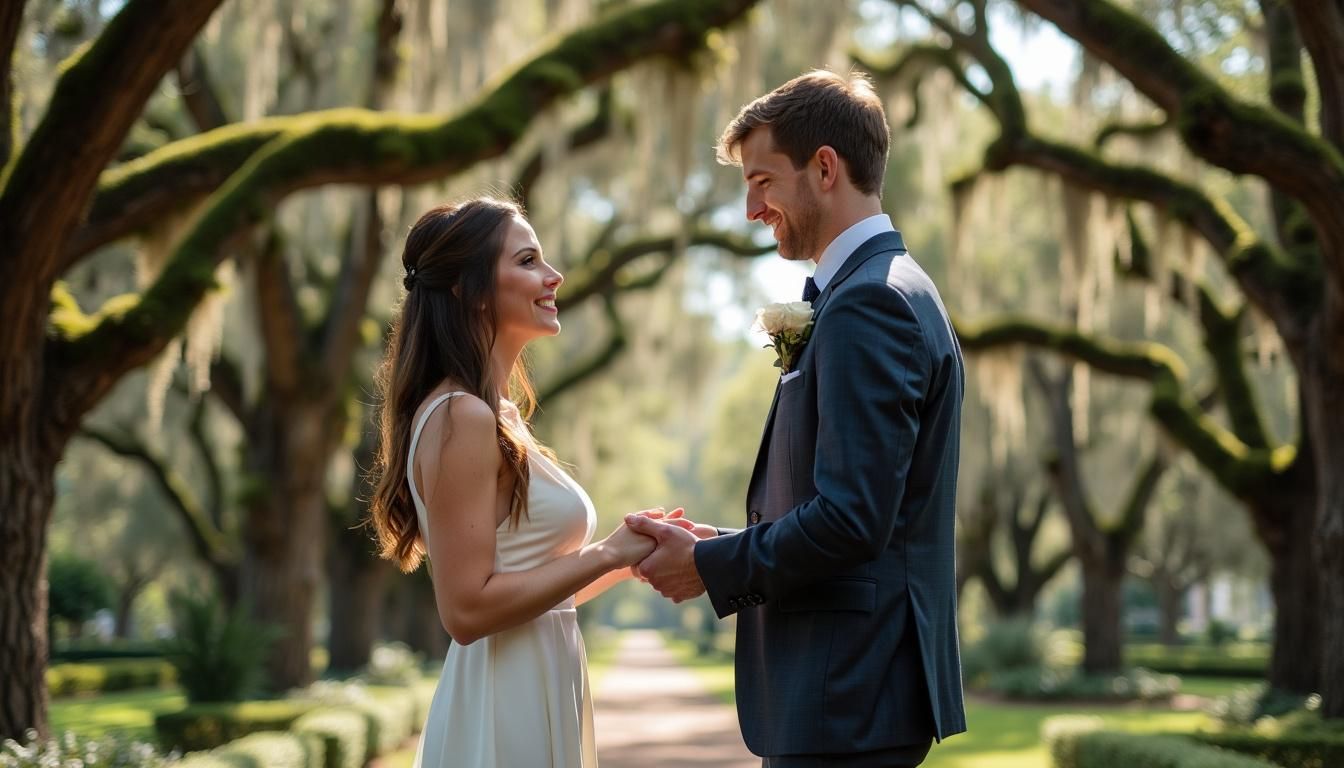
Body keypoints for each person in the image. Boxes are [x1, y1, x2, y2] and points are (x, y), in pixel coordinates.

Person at [625, 69, 968, 767]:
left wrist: (711, 565)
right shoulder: (875, 291)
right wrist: (715, 543)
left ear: (824, 167)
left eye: (763, 181)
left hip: (846, 694)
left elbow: (851, 520)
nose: (752, 209)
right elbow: (851, 508)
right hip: (846, 696)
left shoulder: (870, 303)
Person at [367, 196, 661, 768]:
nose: (554, 277)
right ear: (470, 289)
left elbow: (533, 594)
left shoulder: (496, 414)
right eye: (528, 261)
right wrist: (603, 555)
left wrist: (633, 558)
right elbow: (467, 610)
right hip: (503, 705)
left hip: (536, 682)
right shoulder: (461, 416)